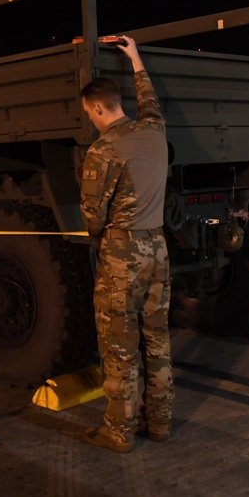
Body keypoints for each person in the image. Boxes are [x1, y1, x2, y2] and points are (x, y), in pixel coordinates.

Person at [79, 36, 173, 453]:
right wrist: (135, 59)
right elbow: (149, 100)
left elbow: (92, 216)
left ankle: (120, 430)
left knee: (118, 344)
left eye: (89, 113)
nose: (90, 120)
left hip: (123, 253)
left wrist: (99, 241)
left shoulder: (103, 150)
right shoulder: (154, 130)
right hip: (158, 247)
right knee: (157, 338)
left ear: (98, 108)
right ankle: (161, 423)